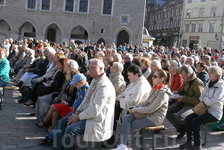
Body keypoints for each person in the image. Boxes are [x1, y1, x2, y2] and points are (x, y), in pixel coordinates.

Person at [53, 59, 115, 150]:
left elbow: (95, 110)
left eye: (93, 68)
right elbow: (86, 99)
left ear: (101, 68)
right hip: (87, 114)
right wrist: (77, 112)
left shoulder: (104, 86)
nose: (89, 70)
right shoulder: (95, 80)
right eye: (89, 67)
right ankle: (58, 148)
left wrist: (78, 117)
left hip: (97, 119)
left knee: (70, 130)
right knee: (62, 122)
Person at [115, 69, 172, 150]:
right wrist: (135, 107)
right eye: (153, 76)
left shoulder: (163, 93)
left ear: (162, 79)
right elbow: (145, 103)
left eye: (155, 77)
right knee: (126, 118)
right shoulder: (155, 88)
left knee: (128, 125)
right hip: (146, 113)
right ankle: (122, 145)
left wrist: (135, 110)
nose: (152, 78)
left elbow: (151, 109)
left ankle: (122, 144)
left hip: (155, 117)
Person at [179, 66, 224, 150]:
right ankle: (189, 141)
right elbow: (201, 97)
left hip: (214, 113)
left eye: (212, 73)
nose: (209, 74)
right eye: (209, 72)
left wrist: (206, 98)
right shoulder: (208, 83)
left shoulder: (220, 87)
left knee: (195, 121)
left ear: (217, 75)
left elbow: (212, 101)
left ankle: (197, 145)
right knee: (188, 118)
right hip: (204, 110)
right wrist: (208, 98)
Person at [166, 65, 204, 139]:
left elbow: (199, 100)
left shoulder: (197, 83)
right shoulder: (187, 80)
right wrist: (178, 92)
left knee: (179, 116)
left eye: (184, 76)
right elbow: (185, 91)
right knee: (167, 111)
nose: (182, 78)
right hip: (183, 102)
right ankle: (181, 128)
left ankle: (192, 129)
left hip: (193, 105)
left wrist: (183, 98)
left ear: (189, 74)